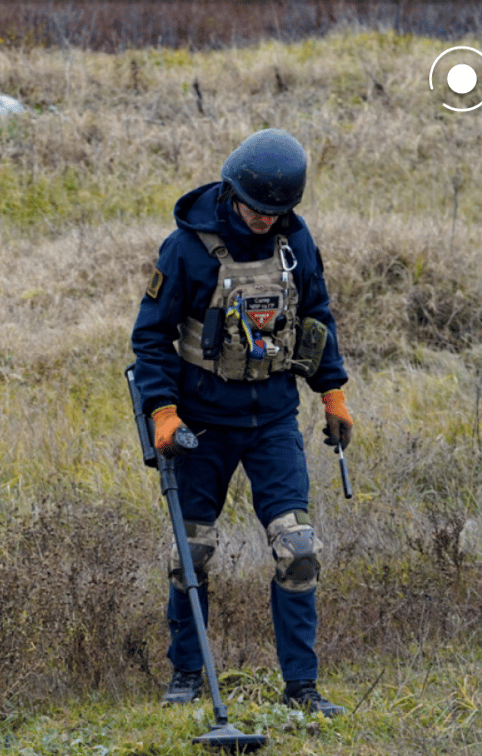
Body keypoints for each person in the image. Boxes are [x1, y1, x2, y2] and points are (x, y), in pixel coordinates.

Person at [129, 128, 352, 716]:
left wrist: (332, 393)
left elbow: (317, 316)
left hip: (273, 418)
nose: (264, 220)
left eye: (277, 212)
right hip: (200, 421)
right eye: (257, 209)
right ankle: (185, 674)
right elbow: (150, 339)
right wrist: (163, 411)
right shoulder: (186, 250)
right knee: (191, 552)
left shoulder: (294, 241)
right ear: (232, 191)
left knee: (298, 549)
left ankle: (301, 688)